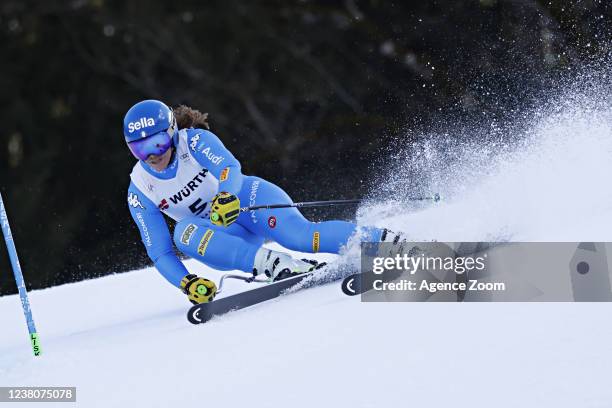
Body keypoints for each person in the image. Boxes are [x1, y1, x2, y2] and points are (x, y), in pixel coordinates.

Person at [125, 100, 401, 304]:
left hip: (249, 202)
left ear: (172, 131)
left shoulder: (194, 141)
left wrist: (227, 195)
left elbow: (229, 168)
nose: (151, 155)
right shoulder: (140, 189)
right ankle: (275, 264)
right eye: (140, 148)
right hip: (224, 235)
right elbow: (159, 251)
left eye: (158, 143)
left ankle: (388, 244)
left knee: (301, 237)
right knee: (183, 232)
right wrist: (187, 283)